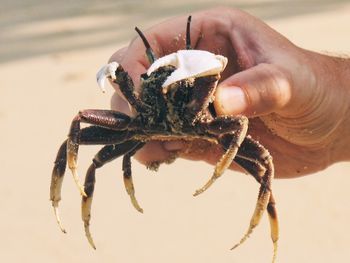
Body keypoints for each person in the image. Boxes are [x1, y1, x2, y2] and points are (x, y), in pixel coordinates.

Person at [108, 7, 350, 179]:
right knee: (102, 143)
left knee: (263, 163)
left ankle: (263, 224)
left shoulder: (216, 106)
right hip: (152, 129)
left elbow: (240, 121)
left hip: (206, 126)